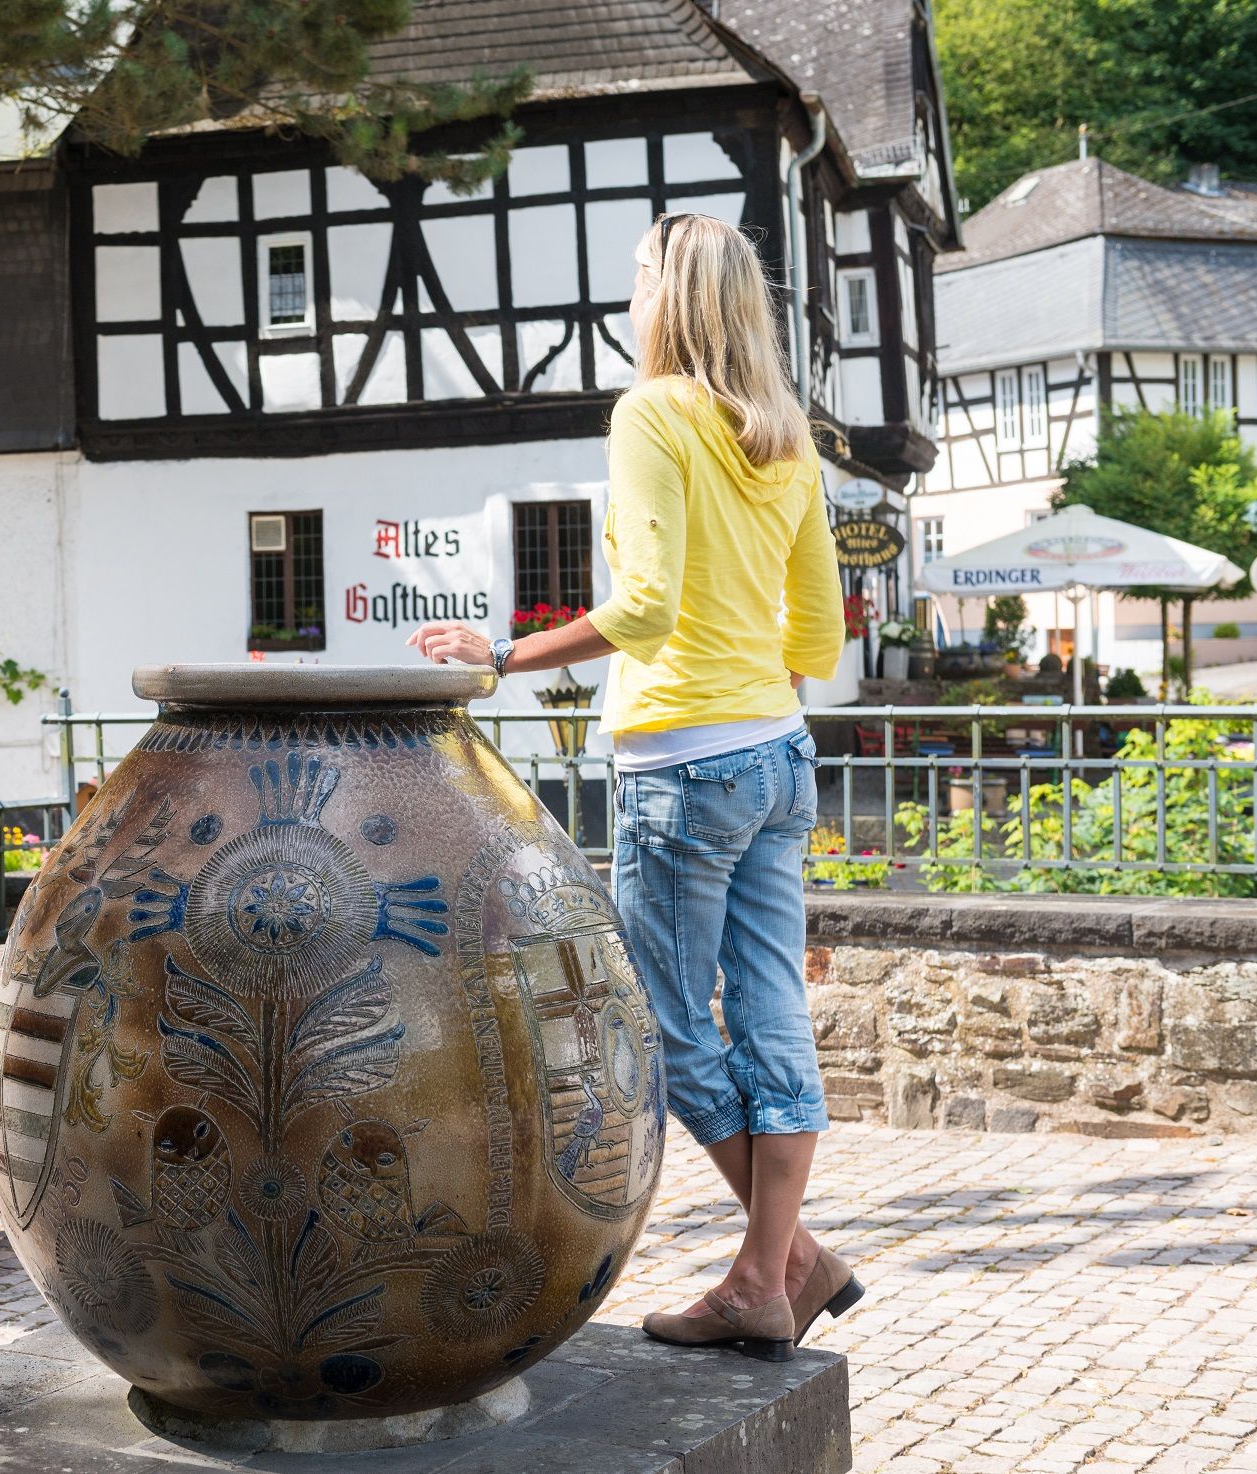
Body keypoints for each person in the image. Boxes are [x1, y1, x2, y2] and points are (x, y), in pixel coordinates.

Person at [408, 213, 859, 1363]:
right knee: (771, 1007)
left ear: (674, 297)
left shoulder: (652, 412)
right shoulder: (789, 439)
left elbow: (646, 606)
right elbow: (818, 633)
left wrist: (502, 655)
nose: (629, 292)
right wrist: (752, 690)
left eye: (640, 274)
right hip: (779, 755)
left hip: (682, 765)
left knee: (662, 1019)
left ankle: (777, 1267)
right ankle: (779, 1265)